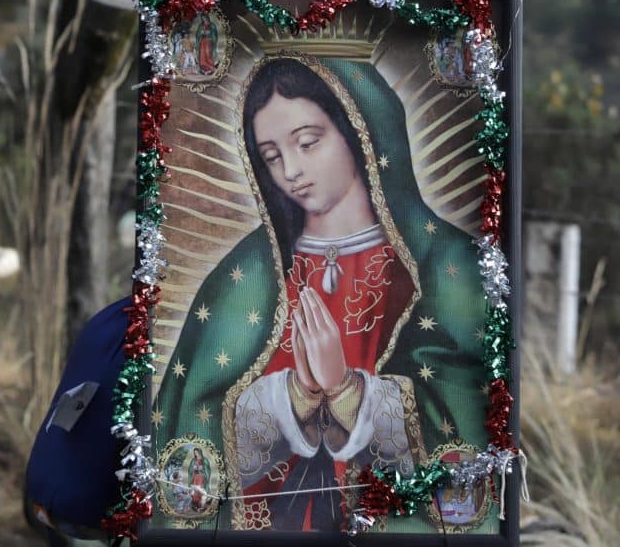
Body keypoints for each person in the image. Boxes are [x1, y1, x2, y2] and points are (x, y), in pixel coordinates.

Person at [152, 55, 487, 532]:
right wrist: (296, 396)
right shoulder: (245, 275)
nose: (291, 169)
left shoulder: (442, 264)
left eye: (308, 142)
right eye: (271, 155)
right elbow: (196, 415)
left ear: (360, 133)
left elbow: (465, 405)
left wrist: (349, 392)